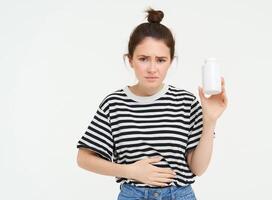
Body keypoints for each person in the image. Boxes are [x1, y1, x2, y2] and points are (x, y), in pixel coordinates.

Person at [76, 8, 228, 200]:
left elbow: (198, 168)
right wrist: (131, 171)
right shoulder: (114, 104)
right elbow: (84, 158)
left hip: (179, 195)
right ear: (130, 60)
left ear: (171, 61)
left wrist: (210, 121)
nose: (152, 68)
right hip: (133, 195)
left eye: (161, 60)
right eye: (143, 59)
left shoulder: (186, 102)